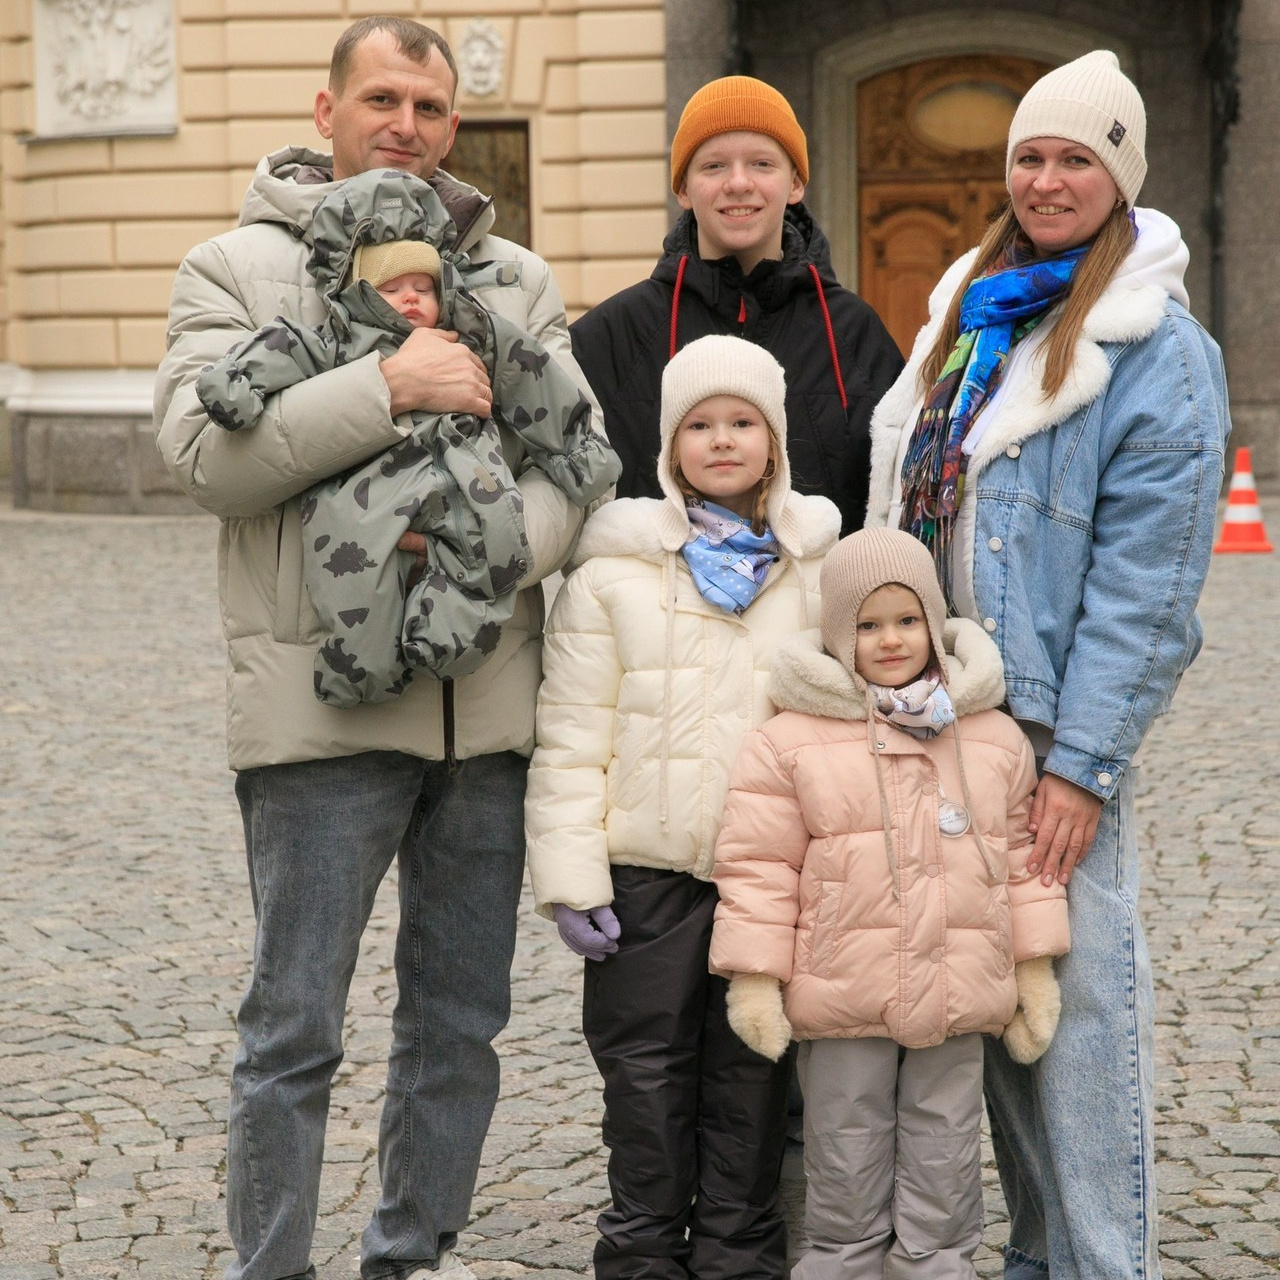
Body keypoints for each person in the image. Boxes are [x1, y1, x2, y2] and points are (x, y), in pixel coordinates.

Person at [154, 16, 598, 1280]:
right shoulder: (233, 268)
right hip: (319, 721)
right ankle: (273, 1266)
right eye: (383, 98)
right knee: (291, 1031)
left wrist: (491, 550)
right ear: (328, 107)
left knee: (460, 1025)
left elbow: (576, 462)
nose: (405, 124)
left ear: (455, 126)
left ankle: (411, 1255)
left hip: (485, 708)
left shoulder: (511, 279)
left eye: (431, 106)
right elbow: (206, 460)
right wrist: (390, 388)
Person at [864, 51, 1231, 1280]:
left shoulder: (1155, 349)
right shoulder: (977, 310)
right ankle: (1036, 1259)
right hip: (940, 714)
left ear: (1120, 174)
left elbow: (1149, 592)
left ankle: (1101, 1263)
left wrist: (1082, 766)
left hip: (1045, 732)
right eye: (1030, 154)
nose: (1047, 176)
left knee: (1076, 1028)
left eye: (1076, 156)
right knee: (996, 1014)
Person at [525, 334, 841, 1280]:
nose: (721, 440)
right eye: (699, 425)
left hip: (768, 879)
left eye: (742, 422)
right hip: (645, 877)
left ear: (776, 442)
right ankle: (643, 1252)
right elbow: (573, 736)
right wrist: (572, 877)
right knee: (645, 1076)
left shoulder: (818, 571)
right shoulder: (612, 575)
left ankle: (739, 1254)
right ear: (668, 447)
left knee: (753, 1078)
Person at [708, 527, 1070, 1277]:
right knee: (844, 1133)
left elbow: (1018, 858)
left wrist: (1033, 968)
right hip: (844, 983)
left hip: (957, 980)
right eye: (868, 626)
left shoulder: (992, 736)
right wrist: (755, 976)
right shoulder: (790, 741)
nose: (891, 640)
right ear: (841, 635)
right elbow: (759, 866)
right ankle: (842, 1257)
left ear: (934, 624)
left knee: (945, 1133)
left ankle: (935, 1262)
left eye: (907, 620)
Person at [194, 168, 619, 705]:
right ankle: (358, 667)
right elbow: (281, 350)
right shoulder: (340, 341)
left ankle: (449, 642)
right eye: (392, 289)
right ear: (359, 293)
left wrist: (579, 452)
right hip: (365, 491)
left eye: (423, 287)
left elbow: (532, 377)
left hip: (466, 478)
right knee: (351, 577)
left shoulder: (474, 335)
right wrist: (235, 385)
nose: (411, 298)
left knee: (492, 546)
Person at [569, 75, 904, 536]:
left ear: (796, 182)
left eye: (763, 163)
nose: (739, 183)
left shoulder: (853, 332)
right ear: (684, 189)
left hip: (817, 603)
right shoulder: (614, 335)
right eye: (714, 167)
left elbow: (896, 498)